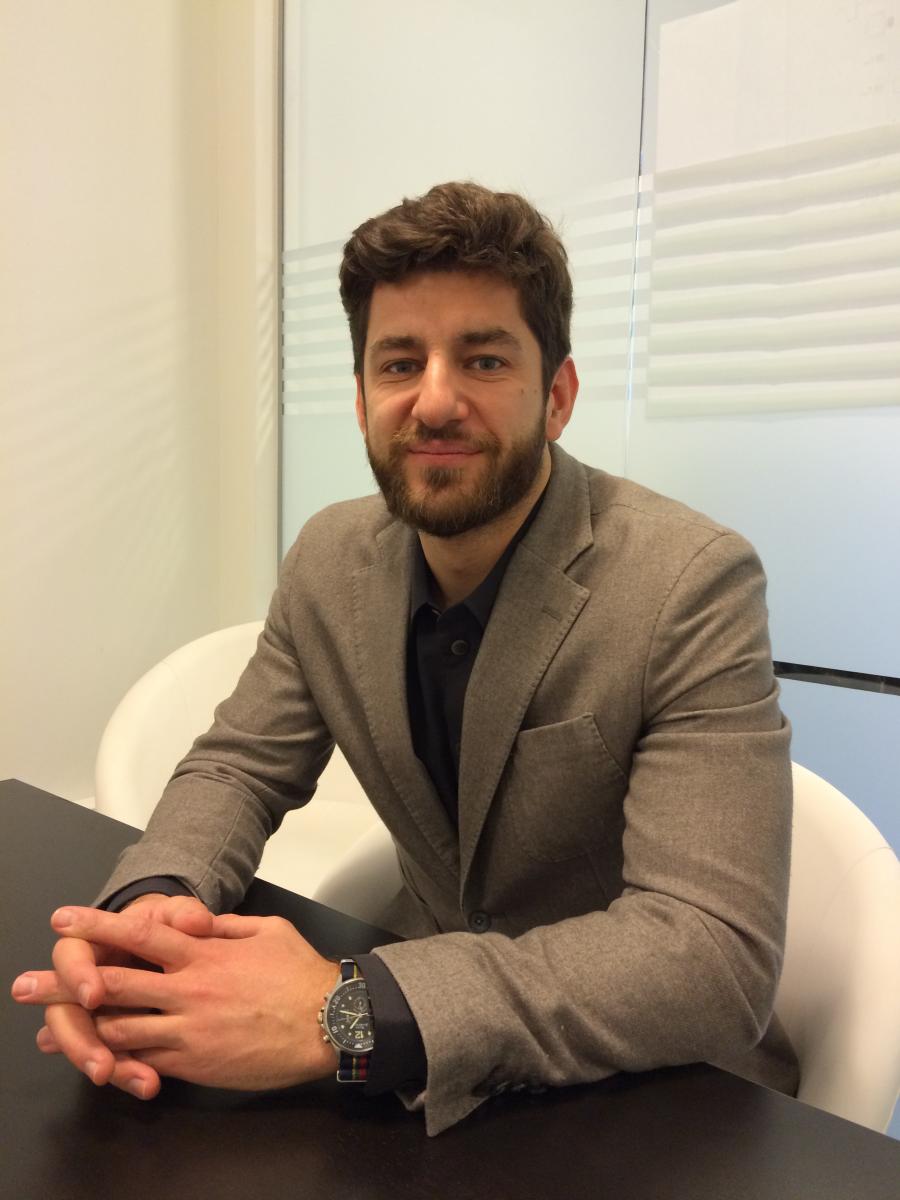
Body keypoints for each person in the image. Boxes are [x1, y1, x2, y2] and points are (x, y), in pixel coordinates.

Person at [11, 181, 798, 1136]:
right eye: (399, 363)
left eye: (483, 359)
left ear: (557, 397)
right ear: (360, 400)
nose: (434, 400)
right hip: (415, 1084)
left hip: (647, 1093)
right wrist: (148, 917)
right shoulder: (330, 559)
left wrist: (342, 1014)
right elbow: (239, 766)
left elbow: (712, 957)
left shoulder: (689, 582)